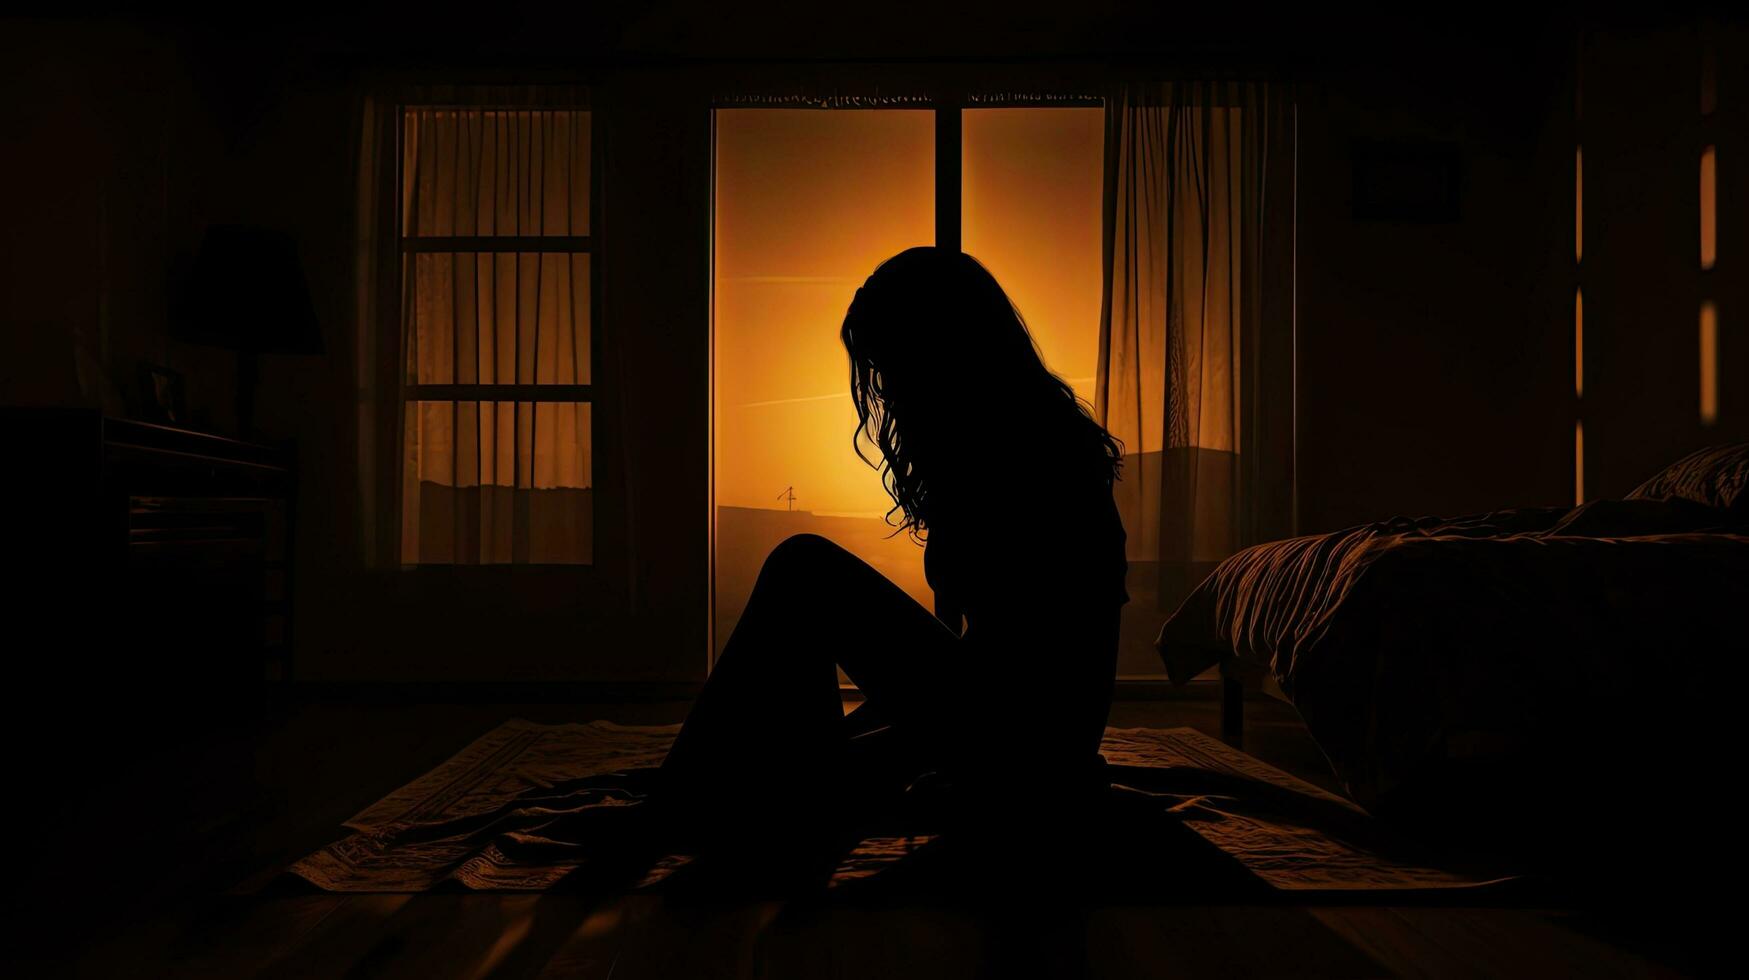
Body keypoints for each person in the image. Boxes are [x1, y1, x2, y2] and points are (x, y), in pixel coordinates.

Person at [654, 247, 1128, 878]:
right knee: (763, 781)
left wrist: (889, 754)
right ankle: (727, 790)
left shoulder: (1040, 458)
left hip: (1030, 756)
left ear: (941, 349)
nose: (888, 388)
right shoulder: (1006, 442)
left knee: (803, 567)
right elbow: (979, 663)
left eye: (893, 363)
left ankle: (681, 803)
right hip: (1009, 732)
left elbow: (1038, 675)